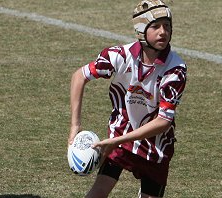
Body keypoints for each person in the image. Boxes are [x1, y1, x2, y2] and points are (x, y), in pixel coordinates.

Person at [68, 0, 187, 197]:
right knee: (98, 192)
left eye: (167, 26)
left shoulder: (175, 69)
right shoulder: (119, 55)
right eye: (156, 26)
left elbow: (163, 122)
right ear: (141, 30)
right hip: (120, 136)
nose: (163, 32)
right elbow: (79, 77)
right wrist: (75, 126)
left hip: (155, 147)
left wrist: (116, 141)